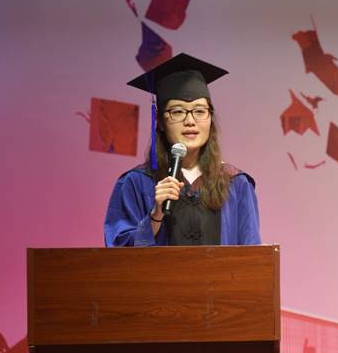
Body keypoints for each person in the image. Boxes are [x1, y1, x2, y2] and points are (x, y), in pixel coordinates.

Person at [104, 53, 261, 246]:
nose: (190, 121)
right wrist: (155, 215)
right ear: (160, 121)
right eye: (178, 112)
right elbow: (118, 254)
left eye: (200, 111)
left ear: (210, 119)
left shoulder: (236, 183)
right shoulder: (136, 182)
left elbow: (252, 255)